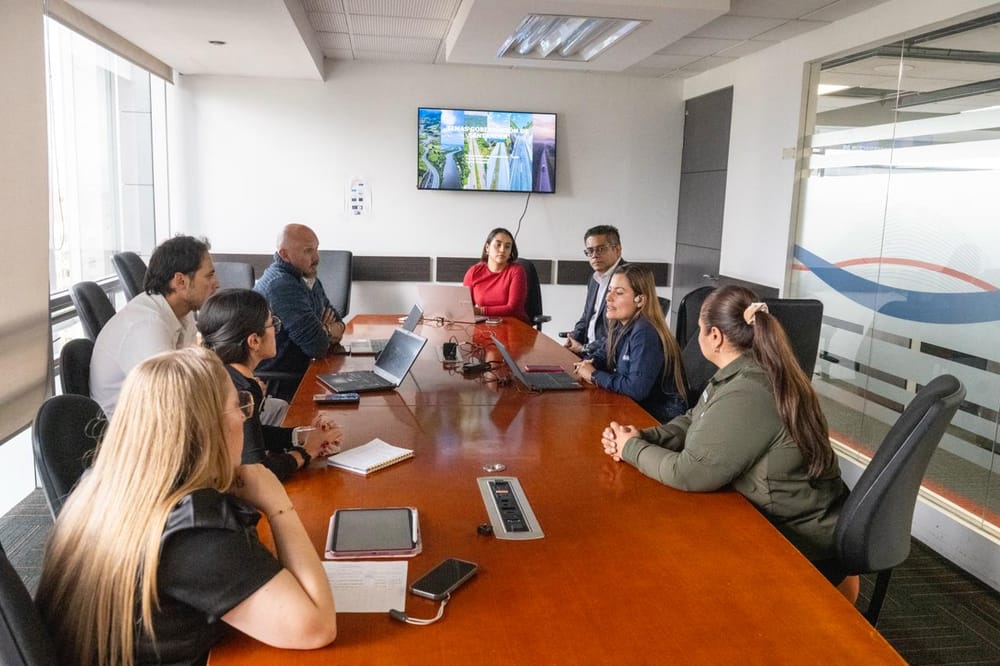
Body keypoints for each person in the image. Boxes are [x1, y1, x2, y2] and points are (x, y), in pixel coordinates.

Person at [36, 347, 337, 665]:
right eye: (238, 405)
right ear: (208, 428)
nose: (243, 416)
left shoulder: (102, 484)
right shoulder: (193, 526)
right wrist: (278, 505)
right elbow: (317, 628)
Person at [599, 285, 858, 601]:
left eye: (700, 331)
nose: (697, 339)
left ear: (716, 337)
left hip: (797, 541)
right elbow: (695, 419)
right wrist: (644, 436)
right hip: (779, 518)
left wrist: (630, 450)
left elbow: (688, 474)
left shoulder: (749, 390)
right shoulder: (741, 371)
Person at [199, 288, 343, 481]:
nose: (277, 329)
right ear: (254, 341)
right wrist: (307, 452)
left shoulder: (219, 373)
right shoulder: (241, 391)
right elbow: (257, 471)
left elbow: (252, 437)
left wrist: (301, 436)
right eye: (272, 324)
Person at [90, 235, 218, 416]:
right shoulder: (146, 326)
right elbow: (171, 398)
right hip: (133, 432)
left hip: (159, 420)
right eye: (209, 276)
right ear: (180, 281)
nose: (216, 284)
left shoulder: (183, 312)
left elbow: (192, 374)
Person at [574, 264, 686, 421]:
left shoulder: (645, 332)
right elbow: (603, 355)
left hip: (658, 417)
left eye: (619, 292)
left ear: (640, 300)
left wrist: (593, 375)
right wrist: (589, 363)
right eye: (609, 290)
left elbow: (636, 389)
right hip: (636, 407)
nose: (608, 297)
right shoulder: (622, 324)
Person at [255, 223, 346, 400]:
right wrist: (327, 330)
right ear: (285, 255)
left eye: (316, 249)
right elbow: (317, 346)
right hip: (280, 384)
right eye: (308, 251)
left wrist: (325, 329)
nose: (317, 257)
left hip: (303, 370)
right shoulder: (281, 285)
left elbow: (338, 320)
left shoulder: (307, 277)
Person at [564, 225, 625, 356]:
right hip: (587, 350)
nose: (594, 256)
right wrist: (573, 337)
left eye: (601, 249)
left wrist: (585, 348)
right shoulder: (594, 278)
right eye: (590, 251)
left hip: (607, 355)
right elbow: (586, 316)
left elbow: (621, 332)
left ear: (617, 250)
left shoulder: (627, 278)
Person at [462, 227, 528, 321]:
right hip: (485, 326)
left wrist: (480, 311)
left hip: (514, 325)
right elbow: (465, 307)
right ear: (487, 248)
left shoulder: (516, 271)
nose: (502, 250)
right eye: (498, 245)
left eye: (507, 246)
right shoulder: (474, 272)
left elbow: (513, 309)